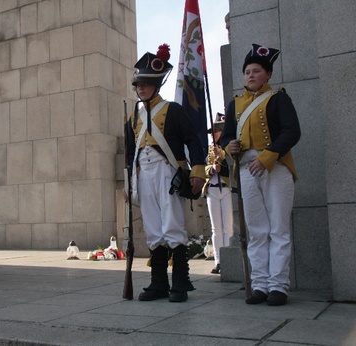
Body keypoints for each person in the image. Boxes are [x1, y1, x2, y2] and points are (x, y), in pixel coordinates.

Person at [220, 44, 301, 306]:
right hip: (246, 168)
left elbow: (291, 132)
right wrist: (228, 145)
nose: (251, 75)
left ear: (267, 75)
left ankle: (278, 286)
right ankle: (260, 284)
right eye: (247, 72)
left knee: (278, 229)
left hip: (274, 167)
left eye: (256, 71)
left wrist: (268, 157)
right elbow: (229, 135)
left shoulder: (278, 99)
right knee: (256, 231)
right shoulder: (235, 104)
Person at [126, 44, 206, 302]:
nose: (141, 88)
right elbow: (130, 154)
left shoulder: (173, 110)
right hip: (144, 175)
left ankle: (180, 282)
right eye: (138, 84)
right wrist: (130, 183)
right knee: (152, 227)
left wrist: (197, 170)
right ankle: (158, 282)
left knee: (172, 224)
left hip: (168, 172)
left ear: (157, 84)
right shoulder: (133, 118)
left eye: (146, 83)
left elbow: (194, 141)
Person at [203, 113, 233, 274]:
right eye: (212, 132)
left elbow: (232, 167)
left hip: (226, 188)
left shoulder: (227, 148)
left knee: (227, 227)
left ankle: (229, 259)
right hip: (213, 188)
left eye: (216, 131)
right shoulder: (208, 150)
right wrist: (212, 169)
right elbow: (204, 168)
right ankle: (219, 260)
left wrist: (221, 156)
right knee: (216, 229)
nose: (213, 135)